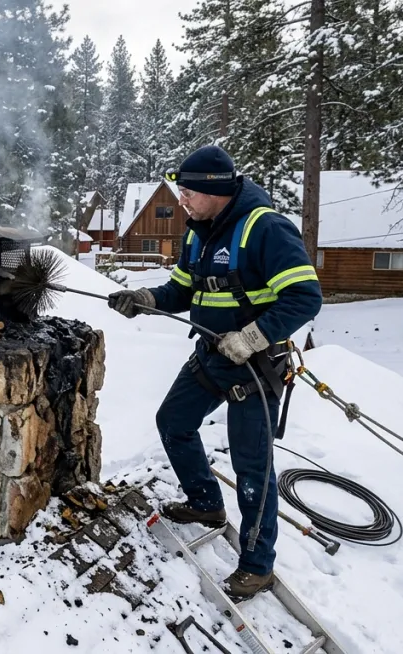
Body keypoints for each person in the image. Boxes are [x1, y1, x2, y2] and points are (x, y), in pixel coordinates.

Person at [109, 145, 322, 600]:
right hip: (211, 356)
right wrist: (147, 300)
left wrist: (251, 337)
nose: (181, 200)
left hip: (254, 366)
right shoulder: (198, 231)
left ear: (214, 190)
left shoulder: (265, 229)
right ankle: (206, 504)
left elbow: (305, 297)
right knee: (174, 422)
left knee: (252, 470)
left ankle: (257, 565)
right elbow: (183, 288)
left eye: (187, 192)